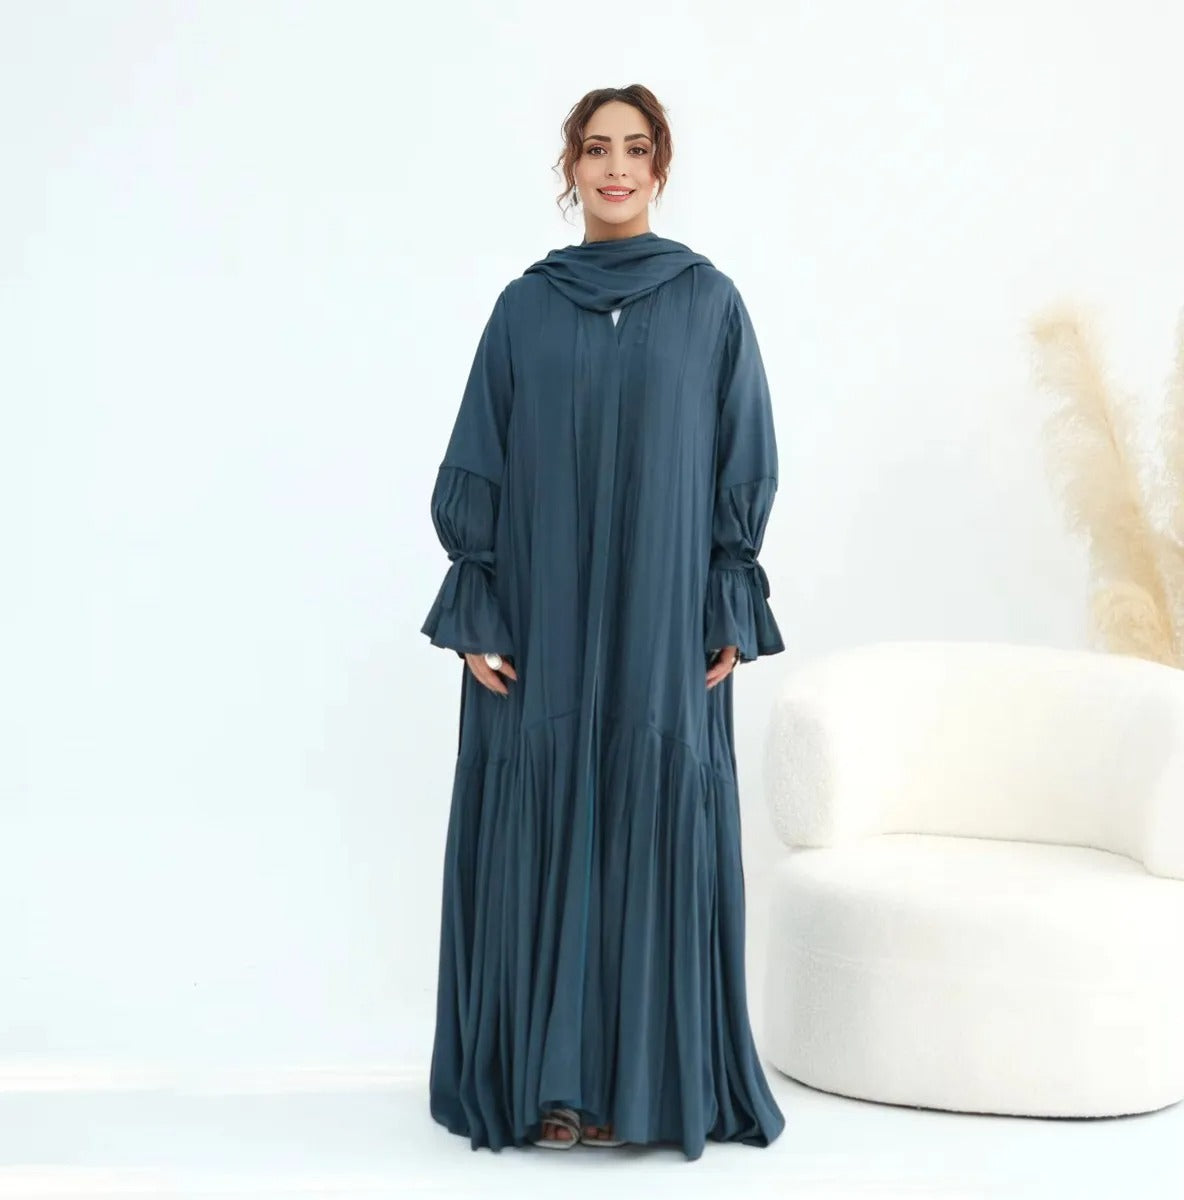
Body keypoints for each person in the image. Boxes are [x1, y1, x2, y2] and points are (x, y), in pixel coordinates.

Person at [421, 83, 786, 1161]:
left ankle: (643, 1086)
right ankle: (548, 1087)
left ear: (660, 166)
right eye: (595, 149)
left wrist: (727, 597)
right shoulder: (523, 308)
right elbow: (479, 454)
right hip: (540, 623)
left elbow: (743, 458)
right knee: (540, 823)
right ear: (570, 170)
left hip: (662, 622)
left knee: (651, 813)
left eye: (634, 148)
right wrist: (477, 608)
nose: (615, 168)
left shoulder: (710, 304)